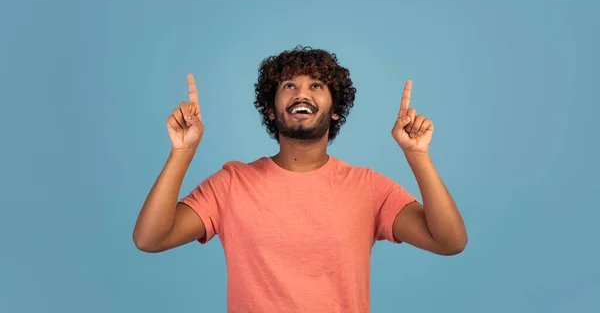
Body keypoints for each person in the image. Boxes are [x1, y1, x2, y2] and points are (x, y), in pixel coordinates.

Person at [133, 46, 467, 312]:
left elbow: (449, 241)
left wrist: (417, 155)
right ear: (270, 108)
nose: (301, 93)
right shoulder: (232, 183)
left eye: (316, 86)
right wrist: (182, 153)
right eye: (289, 85)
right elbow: (150, 238)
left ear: (335, 110)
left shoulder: (368, 188)